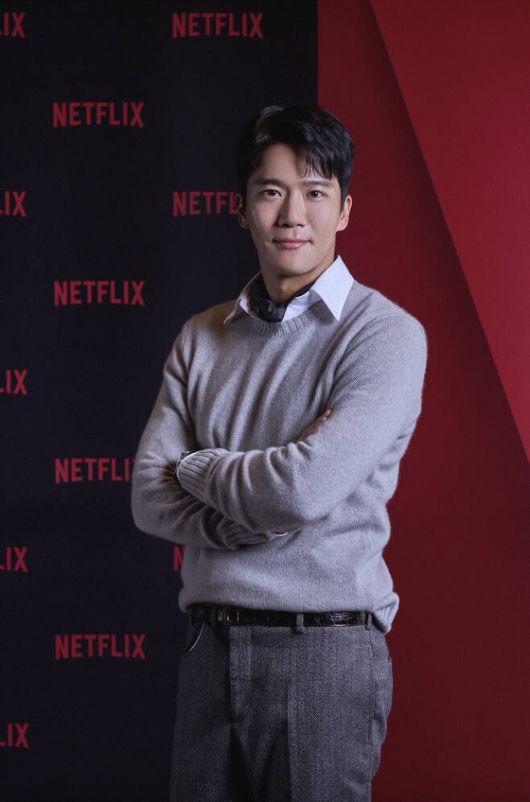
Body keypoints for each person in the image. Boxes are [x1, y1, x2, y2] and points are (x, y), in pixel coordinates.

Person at [131, 104, 428, 802]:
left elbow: (300, 490)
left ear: (344, 209)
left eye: (315, 192)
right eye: (271, 191)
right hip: (209, 647)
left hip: (322, 649)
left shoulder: (383, 335)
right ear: (241, 209)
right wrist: (250, 510)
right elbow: (148, 495)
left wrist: (197, 467)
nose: (293, 214)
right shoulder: (201, 336)